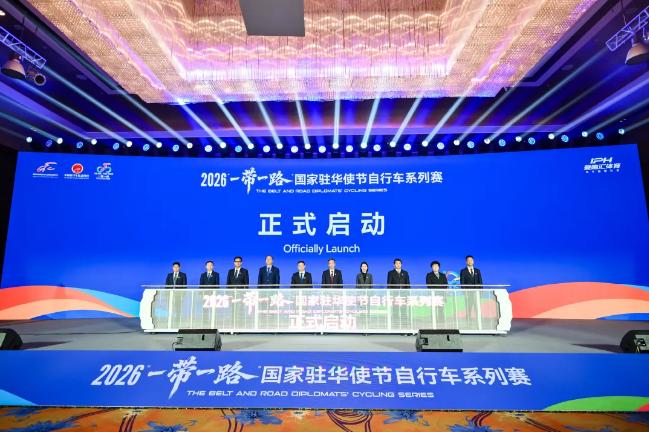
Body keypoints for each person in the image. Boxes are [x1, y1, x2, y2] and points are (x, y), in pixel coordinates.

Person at [460, 255, 483, 321]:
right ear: (466, 262)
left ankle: (479, 320)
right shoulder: (463, 271)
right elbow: (462, 283)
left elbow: (480, 282)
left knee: (477, 307)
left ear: (473, 261)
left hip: (477, 293)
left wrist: (480, 292)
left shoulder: (477, 271)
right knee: (468, 307)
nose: (470, 261)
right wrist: (465, 293)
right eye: (468, 260)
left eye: (471, 260)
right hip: (468, 293)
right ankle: (468, 320)